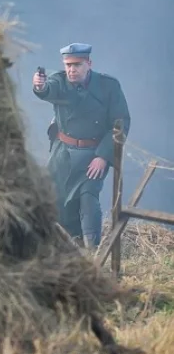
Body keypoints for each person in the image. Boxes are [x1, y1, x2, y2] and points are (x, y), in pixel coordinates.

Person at [33, 42, 130, 249]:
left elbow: (120, 122)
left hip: (92, 155)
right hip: (63, 154)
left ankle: (92, 251)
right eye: (68, 65)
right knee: (55, 197)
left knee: (88, 198)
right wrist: (40, 86)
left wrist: (103, 156)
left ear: (89, 64)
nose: (72, 70)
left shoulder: (108, 86)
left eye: (77, 65)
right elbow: (47, 89)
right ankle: (60, 246)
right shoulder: (59, 81)